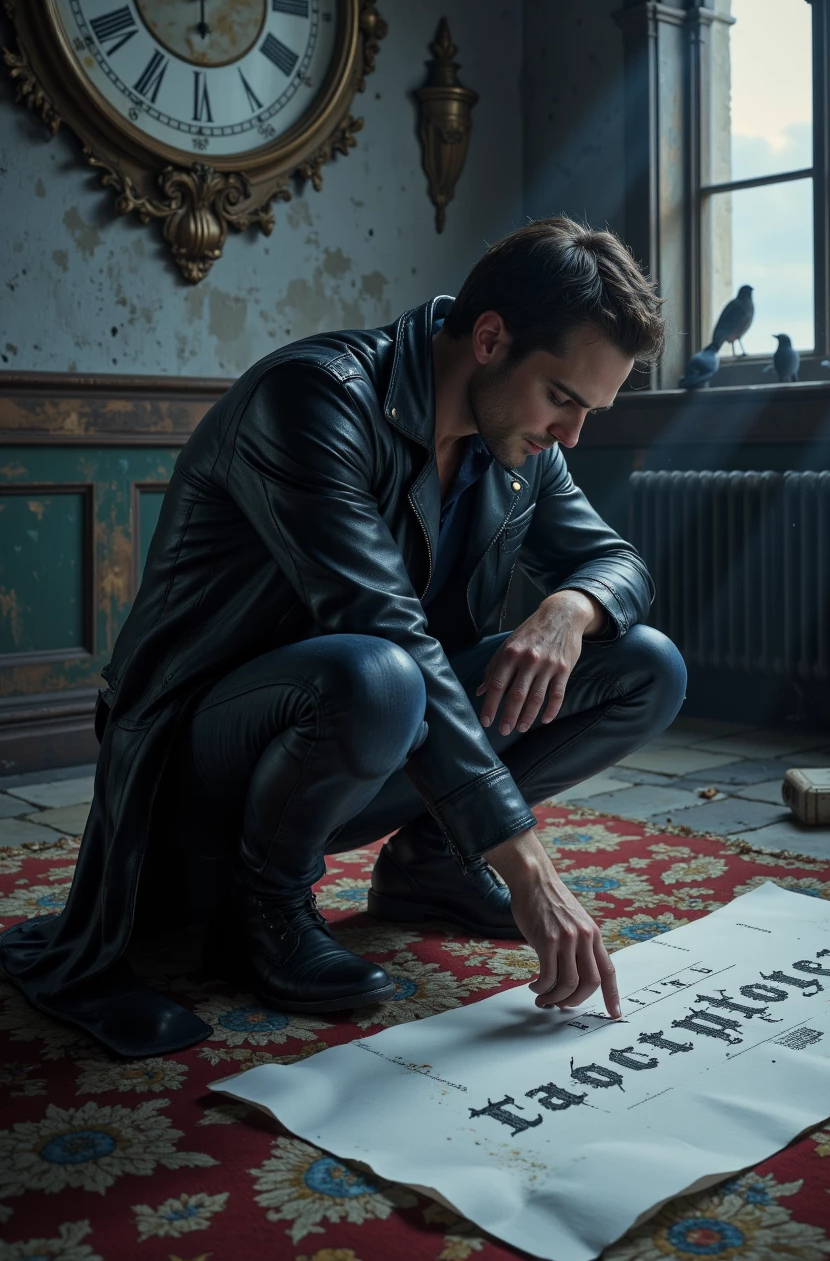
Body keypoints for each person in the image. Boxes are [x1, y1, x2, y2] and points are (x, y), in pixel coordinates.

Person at [0, 217, 687, 1058]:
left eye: (589, 410)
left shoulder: (519, 443)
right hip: (195, 752)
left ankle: (432, 864)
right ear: (490, 337)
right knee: (382, 672)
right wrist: (529, 869)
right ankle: (265, 908)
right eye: (564, 400)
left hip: (373, 728)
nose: (573, 435)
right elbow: (381, 624)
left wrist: (570, 607)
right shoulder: (313, 398)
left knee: (646, 664)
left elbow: (615, 563)